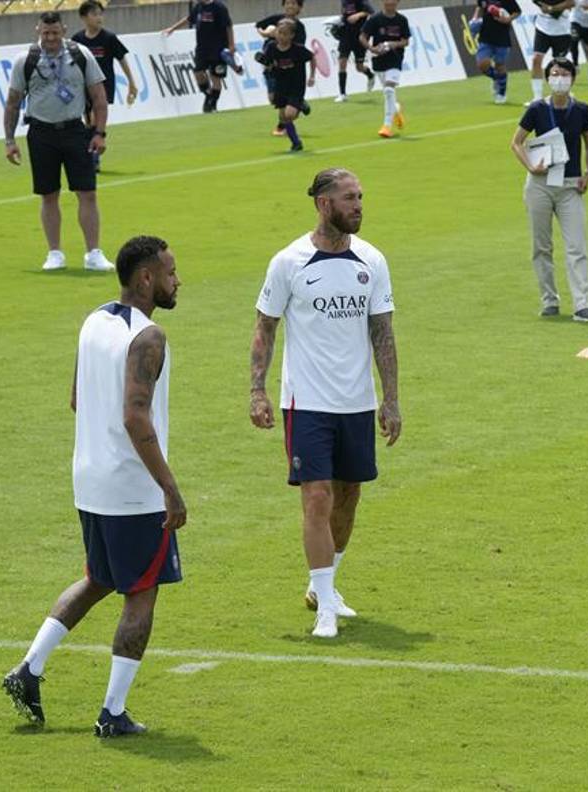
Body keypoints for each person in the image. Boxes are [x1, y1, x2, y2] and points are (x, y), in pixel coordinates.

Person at [2, 235, 185, 737]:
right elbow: (135, 417)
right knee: (142, 591)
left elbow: (77, 399)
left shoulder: (93, 321)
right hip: (132, 489)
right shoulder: (149, 338)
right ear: (145, 279)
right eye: (170, 272)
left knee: (99, 577)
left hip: (90, 480)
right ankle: (113, 712)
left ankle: (28, 670)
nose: (177, 280)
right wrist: (169, 488)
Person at [249, 168, 401, 639]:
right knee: (317, 496)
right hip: (306, 401)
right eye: (349, 198)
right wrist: (257, 389)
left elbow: (383, 332)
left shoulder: (371, 260)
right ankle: (325, 611)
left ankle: (324, 585)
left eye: (361, 196)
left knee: (349, 495)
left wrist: (391, 398)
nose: (358, 205)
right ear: (323, 203)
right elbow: (264, 328)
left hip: (356, 400)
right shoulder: (289, 262)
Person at [3, 12, 114, 273]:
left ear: (63, 30)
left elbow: (98, 96)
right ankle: (55, 253)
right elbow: (13, 102)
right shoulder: (25, 60)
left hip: (76, 131)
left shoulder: (80, 55)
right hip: (41, 134)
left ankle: (93, 253)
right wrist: (9, 140)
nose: (50, 38)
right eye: (45, 33)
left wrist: (100, 132)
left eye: (54, 33)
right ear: (38, 30)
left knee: (87, 193)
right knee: (48, 194)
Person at [510, 58, 588, 322]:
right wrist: (530, 166)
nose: (559, 78)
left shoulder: (582, 110)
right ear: (547, 78)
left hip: (570, 185)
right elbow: (516, 142)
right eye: (554, 74)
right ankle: (549, 299)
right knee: (541, 245)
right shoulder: (537, 109)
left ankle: (582, 304)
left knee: (577, 245)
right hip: (541, 184)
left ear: (573, 77)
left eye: (564, 74)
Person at [73, 0, 137, 172]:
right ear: (84, 17)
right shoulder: (77, 40)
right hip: (83, 87)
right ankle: (91, 152)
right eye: (94, 14)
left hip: (103, 86)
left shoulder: (109, 38)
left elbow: (122, 59)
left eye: (100, 13)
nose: (99, 17)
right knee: (88, 123)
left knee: (95, 119)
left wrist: (131, 82)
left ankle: (93, 159)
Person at [164, 0, 237, 113]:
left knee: (216, 77)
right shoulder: (198, 7)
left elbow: (228, 25)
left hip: (218, 49)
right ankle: (208, 94)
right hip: (202, 48)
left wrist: (231, 44)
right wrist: (173, 28)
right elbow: (189, 19)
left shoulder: (219, 7)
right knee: (198, 72)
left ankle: (212, 105)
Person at [255, 0, 307, 135]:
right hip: (270, 64)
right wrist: (264, 32)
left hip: (287, 68)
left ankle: (283, 126)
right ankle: (297, 104)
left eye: (294, 4)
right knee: (273, 98)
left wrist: (276, 36)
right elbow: (259, 25)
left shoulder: (299, 27)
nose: (290, 6)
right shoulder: (276, 19)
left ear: (299, 8)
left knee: (284, 100)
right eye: (287, 3)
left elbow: (298, 48)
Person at [261, 19, 315, 152]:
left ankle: (300, 104)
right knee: (283, 117)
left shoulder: (298, 49)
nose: (281, 36)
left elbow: (312, 58)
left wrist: (312, 76)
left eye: (285, 34)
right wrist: (265, 63)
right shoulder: (272, 47)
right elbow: (268, 64)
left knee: (289, 114)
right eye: (279, 33)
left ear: (292, 35)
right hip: (280, 85)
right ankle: (296, 143)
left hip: (296, 85)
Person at [359, 0, 410, 139]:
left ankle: (386, 126)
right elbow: (362, 37)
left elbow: (406, 41)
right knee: (388, 93)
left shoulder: (402, 20)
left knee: (388, 89)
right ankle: (396, 111)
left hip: (395, 60)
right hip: (378, 61)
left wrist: (393, 44)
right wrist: (371, 48)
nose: (390, 2)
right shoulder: (375, 19)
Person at [471, 0, 521, 104]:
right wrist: (474, 20)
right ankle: (497, 79)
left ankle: (501, 94)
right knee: (482, 64)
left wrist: (509, 19)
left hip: (502, 37)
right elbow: (479, 7)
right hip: (485, 37)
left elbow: (517, 12)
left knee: (500, 65)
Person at [529, 0, 573, 103]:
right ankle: (537, 97)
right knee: (536, 59)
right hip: (542, 27)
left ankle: (564, 92)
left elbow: (571, 2)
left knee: (560, 64)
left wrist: (551, 9)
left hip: (562, 30)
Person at [334, 0, 373, 102]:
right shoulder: (343, 1)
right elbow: (344, 15)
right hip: (346, 36)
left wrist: (358, 15)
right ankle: (342, 94)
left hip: (360, 36)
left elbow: (371, 12)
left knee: (359, 67)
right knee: (342, 62)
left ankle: (370, 75)